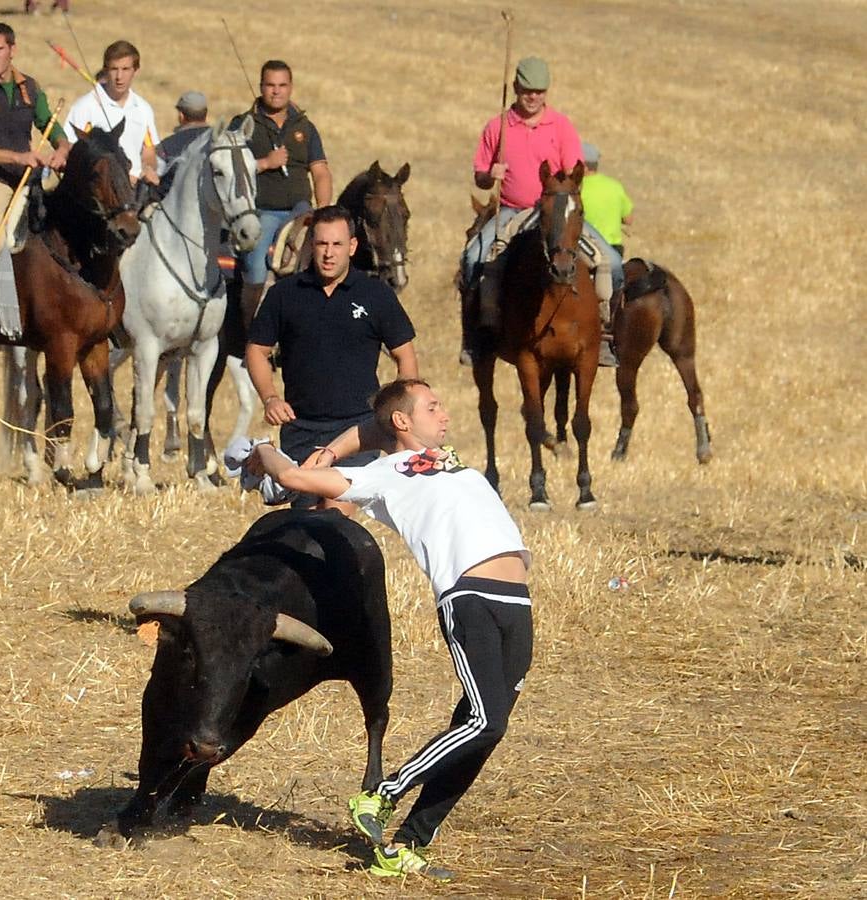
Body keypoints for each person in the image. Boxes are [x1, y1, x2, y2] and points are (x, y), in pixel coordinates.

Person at [246, 378, 532, 881]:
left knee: (484, 731)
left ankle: (406, 846)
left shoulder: (439, 457)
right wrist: (263, 449)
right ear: (403, 420)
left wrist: (333, 446)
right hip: (469, 598)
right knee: (485, 721)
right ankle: (382, 793)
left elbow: (370, 425)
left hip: (516, 601)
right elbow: (292, 477)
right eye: (433, 406)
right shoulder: (381, 475)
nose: (445, 414)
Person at [245, 205, 417, 508]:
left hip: (358, 430)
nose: (328, 253)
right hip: (301, 428)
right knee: (308, 520)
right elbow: (257, 351)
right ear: (311, 244)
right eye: (322, 243)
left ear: (352, 246)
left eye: (337, 244)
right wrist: (270, 398)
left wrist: (397, 415)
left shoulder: (375, 294)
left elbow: (405, 356)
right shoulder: (284, 294)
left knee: (334, 516)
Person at [460, 57, 621, 363]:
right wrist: (490, 175)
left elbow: (574, 173)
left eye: (539, 91)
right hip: (511, 211)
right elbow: (480, 177)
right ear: (515, 88)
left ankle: (605, 335)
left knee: (611, 262)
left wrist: (561, 190)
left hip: (555, 211)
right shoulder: (498, 127)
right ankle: (475, 339)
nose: (533, 97)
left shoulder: (561, 126)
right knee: (472, 259)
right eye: (527, 91)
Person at [0, 21, 70, 293]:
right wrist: (18, 158)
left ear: (12, 50)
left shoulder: (30, 87)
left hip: (27, 177)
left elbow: (48, 122)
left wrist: (63, 147)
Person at [231, 60, 333, 328]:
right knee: (255, 264)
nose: (276, 91)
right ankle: (252, 329)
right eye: (270, 85)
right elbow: (228, 170)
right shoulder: (242, 124)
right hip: (261, 211)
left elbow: (320, 172)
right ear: (260, 86)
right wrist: (265, 163)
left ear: (291, 87)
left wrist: (323, 210)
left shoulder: (305, 127)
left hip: (301, 211)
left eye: (282, 85)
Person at [65, 40, 160, 189]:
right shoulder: (84, 107)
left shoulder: (143, 108)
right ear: (105, 70)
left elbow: (149, 152)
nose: (119, 76)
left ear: (136, 71)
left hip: (134, 189)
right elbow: (70, 150)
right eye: (114, 69)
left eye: (125, 69)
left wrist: (148, 169)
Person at [580, 142, 633, 258]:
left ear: (584, 167)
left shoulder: (576, 189)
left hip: (586, 248)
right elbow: (628, 220)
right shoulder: (615, 186)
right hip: (613, 249)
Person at [153, 90, 210, 195]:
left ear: (181, 116)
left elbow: (156, 177)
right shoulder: (220, 141)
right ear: (206, 115)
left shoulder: (166, 146)